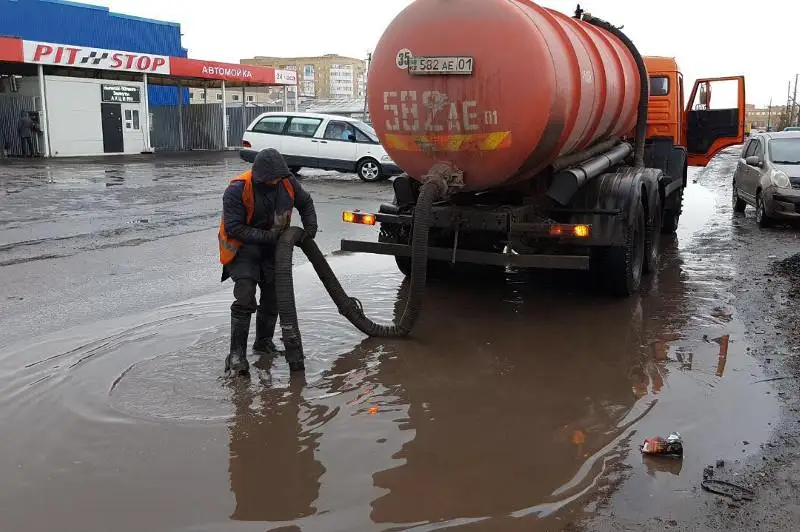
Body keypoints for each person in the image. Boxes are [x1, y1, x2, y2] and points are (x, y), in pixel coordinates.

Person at [219, 148, 318, 375]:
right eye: (271, 179)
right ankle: (236, 355)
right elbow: (233, 227)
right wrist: (269, 237)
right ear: (260, 176)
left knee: (273, 297)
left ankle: (263, 343)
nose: (275, 182)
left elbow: (306, 203)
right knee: (245, 296)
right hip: (243, 249)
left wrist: (309, 230)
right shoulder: (238, 189)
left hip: (274, 249)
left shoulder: (287, 182)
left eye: (278, 178)